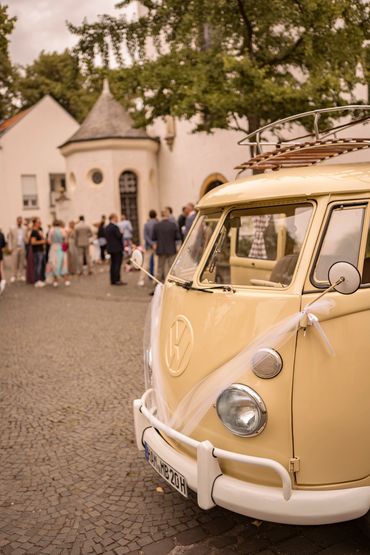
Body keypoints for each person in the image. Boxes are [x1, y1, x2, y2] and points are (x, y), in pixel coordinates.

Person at [152, 208, 180, 283]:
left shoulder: (157, 225)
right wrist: (177, 247)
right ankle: (171, 284)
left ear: (161, 215)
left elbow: (154, 238)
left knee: (160, 268)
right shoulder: (173, 225)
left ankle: (157, 285)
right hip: (171, 249)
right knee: (171, 268)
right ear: (168, 215)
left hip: (161, 249)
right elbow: (177, 237)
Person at [138, 210, 158, 287]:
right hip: (156, 246)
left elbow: (145, 236)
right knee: (156, 263)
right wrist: (155, 244)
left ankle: (141, 280)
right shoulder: (157, 223)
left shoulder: (146, 224)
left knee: (145, 264)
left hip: (148, 246)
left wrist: (151, 243)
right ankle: (155, 280)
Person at [47, 220, 70, 287]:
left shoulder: (51, 230)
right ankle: (66, 280)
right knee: (63, 263)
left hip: (53, 247)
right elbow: (66, 241)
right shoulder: (63, 230)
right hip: (61, 247)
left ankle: (55, 281)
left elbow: (49, 241)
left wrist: (53, 243)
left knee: (54, 262)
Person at [105, 214, 126, 285]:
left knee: (112, 264)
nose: (117, 219)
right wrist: (122, 233)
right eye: (116, 218)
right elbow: (119, 236)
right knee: (117, 264)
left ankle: (112, 280)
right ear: (113, 218)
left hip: (110, 248)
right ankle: (117, 280)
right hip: (117, 248)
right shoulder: (115, 227)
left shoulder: (107, 227)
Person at [8, 216, 27, 282]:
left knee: (22, 262)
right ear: (16, 221)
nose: (19, 221)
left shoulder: (25, 228)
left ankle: (21, 275)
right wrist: (10, 247)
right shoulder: (12, 228)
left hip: (22, 247)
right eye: (18, 220)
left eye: (20, 220)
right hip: (15, 247)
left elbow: (26, 237)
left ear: (21, 221)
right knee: (14, 262)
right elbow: (10, 238)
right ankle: (13, 275)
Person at [29, 217, 46, 287]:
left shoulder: (39, 230)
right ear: (35, 223)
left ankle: (40, 279)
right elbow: (33, 242)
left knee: (40, 265)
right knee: (38, 266)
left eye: (40, 222)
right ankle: (37, 281)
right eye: (39, 222)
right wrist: (43, 241)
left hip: (40, 250)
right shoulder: (34, 232)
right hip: (37, 251)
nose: (40, 223)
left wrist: (42, 237)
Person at [0, 228, 7, 294]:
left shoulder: (1, 234)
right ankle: (2, 280)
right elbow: (3, 245)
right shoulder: (1, 234)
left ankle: (2, 280)